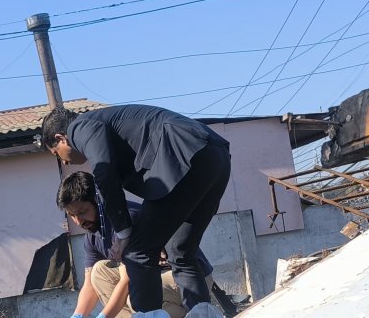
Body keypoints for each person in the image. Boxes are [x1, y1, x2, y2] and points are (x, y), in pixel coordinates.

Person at [41, 105, 231, 314]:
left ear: (61, 138)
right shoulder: (107, 123)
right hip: (214, 155)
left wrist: (123, 233)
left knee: (137, 254)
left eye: (56, 153)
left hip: (181, 157)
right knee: (181, 251)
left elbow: (104, 171)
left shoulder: (79, 127)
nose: (64, 161)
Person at [57, 171, 216, 318]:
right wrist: (77, 316)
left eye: (82, 212)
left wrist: (103, 317)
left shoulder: (126, 219)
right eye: (72, 215)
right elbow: (89, 285)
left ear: (98, 201)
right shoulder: (92, 235)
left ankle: (189, 313)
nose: (78, 221)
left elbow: (129, 280)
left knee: (136, 295)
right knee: (99, 272)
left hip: (189, 282)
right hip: (154, 280)